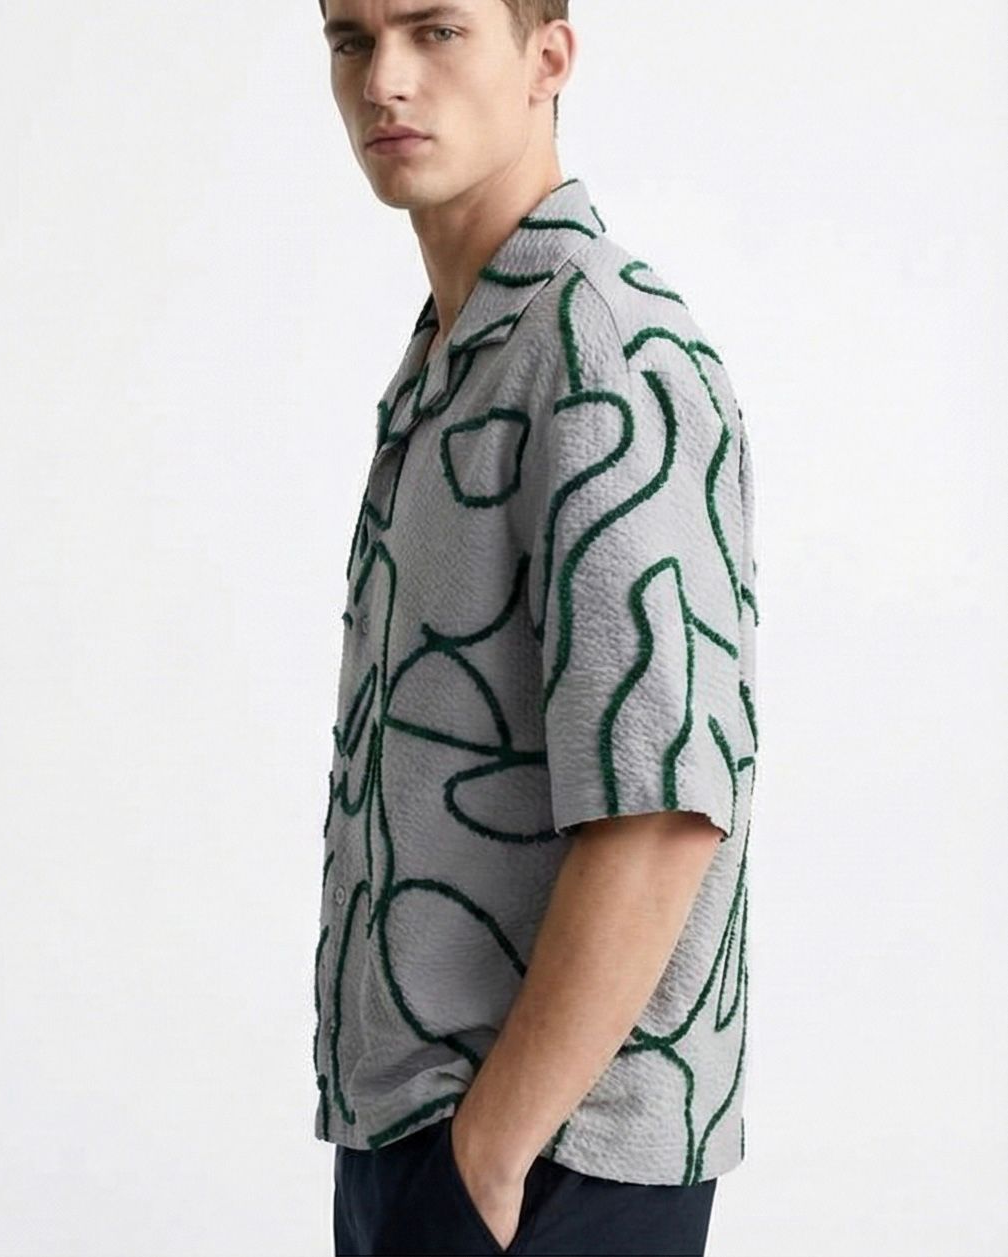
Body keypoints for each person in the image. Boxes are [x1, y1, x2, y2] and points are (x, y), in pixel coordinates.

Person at [313, 2, 759, 1253]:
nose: (385, 80)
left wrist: (490, 1155)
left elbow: (664, 807)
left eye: (437, 31)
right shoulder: (458, 352)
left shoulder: (602, 345)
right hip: (420, 1123)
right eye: (351, 41)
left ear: (547, 60)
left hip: (553, 1152)